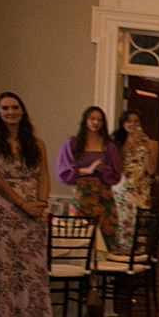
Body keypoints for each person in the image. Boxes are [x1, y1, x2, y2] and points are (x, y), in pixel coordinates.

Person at [0, 92, 52, 317]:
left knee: (27, 267)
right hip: (3, 209)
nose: (10, 112)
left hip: (31, 213)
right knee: (4, 266)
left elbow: (43, 175)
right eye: (5, 108)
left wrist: (40, 203)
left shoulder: (36, 142)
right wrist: (22, 202)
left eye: (15, 107)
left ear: (22, 110)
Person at [56, 105, 122, 248]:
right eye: (92, 119)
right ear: (85, 120)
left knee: (106, 236)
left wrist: (103, 169)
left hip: (103, 196)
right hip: (82, 195)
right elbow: (64, 171)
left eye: (99, 120)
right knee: (81, 234)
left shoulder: (109, 146)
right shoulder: (71, 143)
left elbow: (117, 174)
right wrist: (87, 170)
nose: (96, 123)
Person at [112, 108, 159, 253]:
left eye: (136, 121)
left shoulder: (152, 143)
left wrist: (147, 148)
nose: (132, 124)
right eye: (128, 121)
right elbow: (115, 166)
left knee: (138, 226)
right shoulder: (116, 142)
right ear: (123, 124)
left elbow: (151, 170)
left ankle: (136, 258)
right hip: (120, 191)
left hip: (140, 191)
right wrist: (127, 145)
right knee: (120, 225)